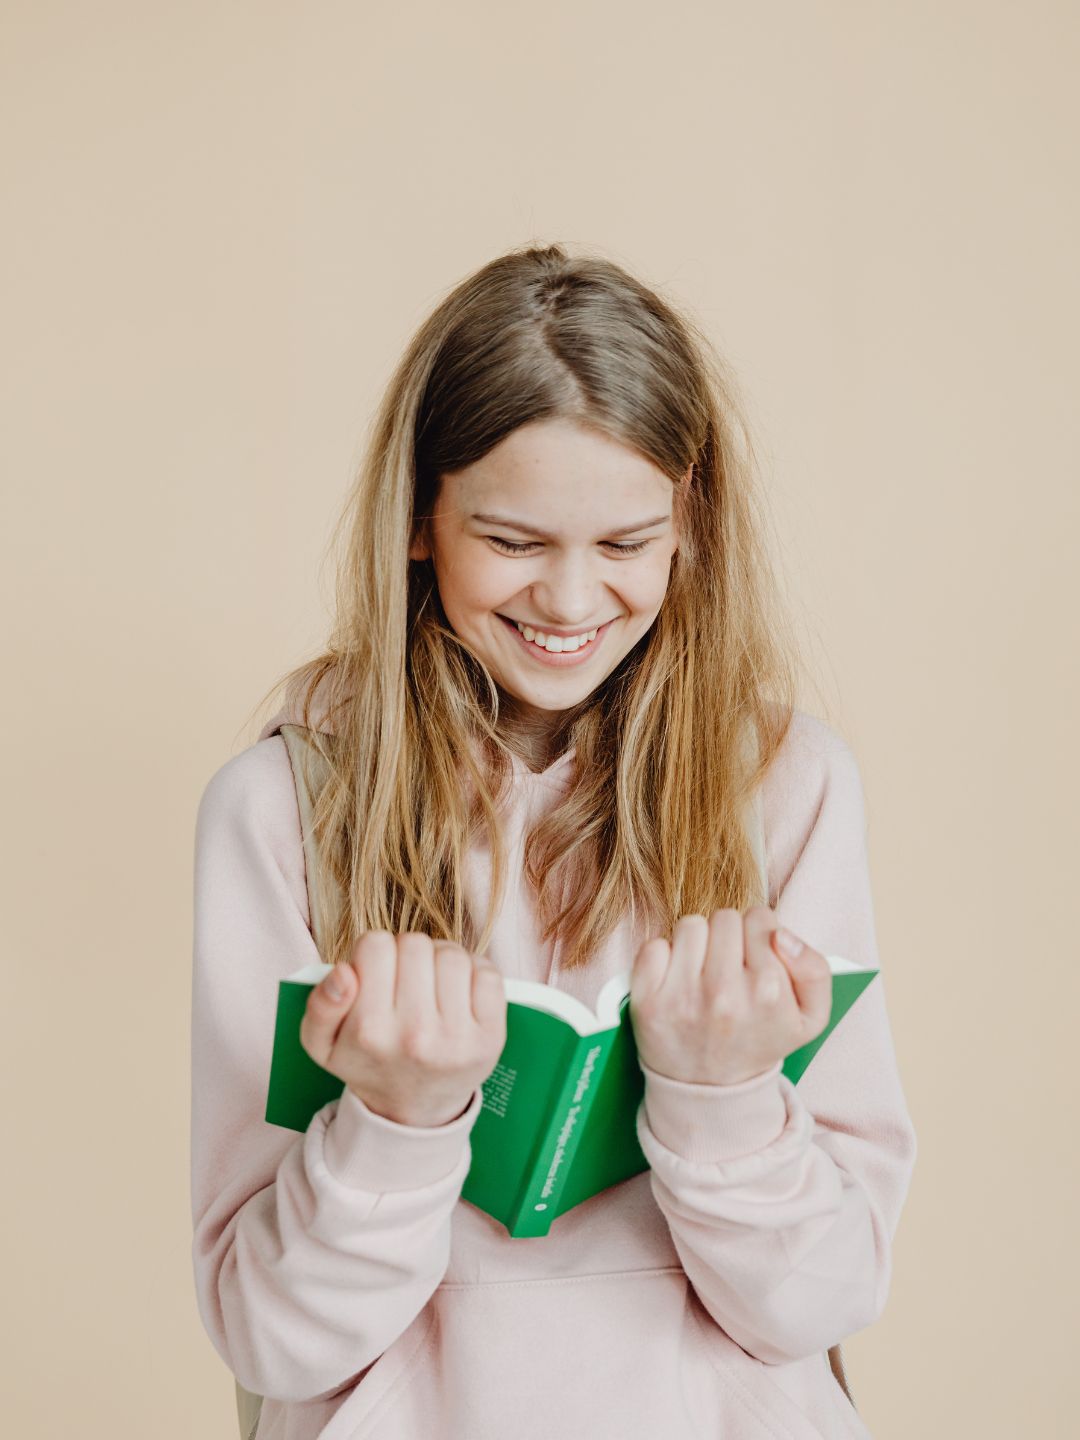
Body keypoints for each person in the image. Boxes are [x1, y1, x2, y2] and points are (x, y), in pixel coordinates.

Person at [190, 242, 917, 1440]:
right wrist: (395, 1120)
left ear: (690, 526)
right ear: (420, 519)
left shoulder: (787, 787)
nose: (572, 605)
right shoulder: (281, 810)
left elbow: (825, 1301)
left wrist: (723, 1099)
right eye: (515, 543)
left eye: (627, 545)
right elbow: (268, 1335)